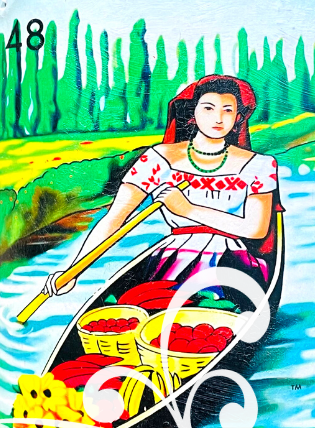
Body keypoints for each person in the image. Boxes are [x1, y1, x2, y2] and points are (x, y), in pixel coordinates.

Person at [43, 75, 281, 298]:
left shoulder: (259, 165)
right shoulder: (158, 159)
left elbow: (255, 229)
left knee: (211, 302)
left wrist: (187, 209)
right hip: (171, 258)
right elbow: (114, 219)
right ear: (193, 111)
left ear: (238, 117)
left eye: (227, 110)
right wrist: (73, 273)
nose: (218, 118)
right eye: (208, 108)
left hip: (233, 262)